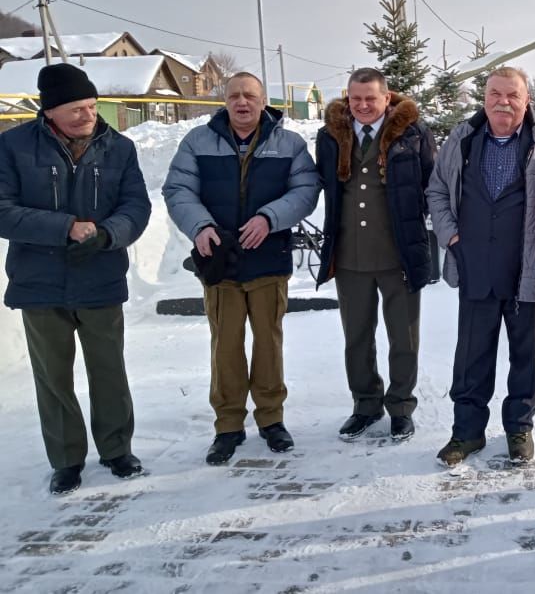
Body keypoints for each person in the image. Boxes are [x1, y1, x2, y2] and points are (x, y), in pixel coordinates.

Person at [0, 62, 151, 495]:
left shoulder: (118, 148)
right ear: (49, 112)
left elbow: (136, 207)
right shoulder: (12, 147)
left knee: (109, 369)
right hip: (38, 281)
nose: (87, 115)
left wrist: (108, 234)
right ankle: (66, 458)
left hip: (100, 275)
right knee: (53, 375)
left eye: (90, 105)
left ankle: (117, 449)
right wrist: (63, 227)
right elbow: (3, 209)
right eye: (75, 109)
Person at [163, 72, 319, 465]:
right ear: (225, 101)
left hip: (269, 260)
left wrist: (270, 218)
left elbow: (305, 191)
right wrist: (200, 225)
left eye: (250, 95)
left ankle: (271, 419)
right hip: (221, 264)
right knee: (226, 346)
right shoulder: (198, 142)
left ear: (263, 100)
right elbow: (178, 189)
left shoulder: (290, 144)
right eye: (234, 96)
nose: (242, 102)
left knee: (269, 344)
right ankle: (228, 425)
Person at [426, 67, 535, 466]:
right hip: (476, 270)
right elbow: (436, 189)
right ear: (483, 99)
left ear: (527, 101)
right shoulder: (462, 141)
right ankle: (466, 433)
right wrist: (452, 237)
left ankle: (519, 428)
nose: (503, 102)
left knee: (528, 356)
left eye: (512, 95)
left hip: (529, 271)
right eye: (495, 94)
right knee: (471, 357)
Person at [314, 67, 436, 442]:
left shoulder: (413, 134)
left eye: (371, 98)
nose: (363, 105)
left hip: (398, 253)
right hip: (350, 256)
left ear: (387, 98)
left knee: (404, 337)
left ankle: (400, 406)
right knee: (357, 337)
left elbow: (432, 185)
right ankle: (365, 404)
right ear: (347, 100)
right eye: (356, 99)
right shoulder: (330, 136)